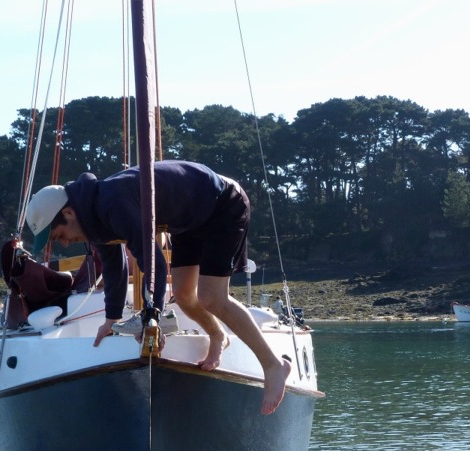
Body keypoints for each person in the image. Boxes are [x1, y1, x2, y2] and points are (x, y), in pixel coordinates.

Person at [25, 160, 291, 415]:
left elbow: (154, 264)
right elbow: (115, 267)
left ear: (69, 213)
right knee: (185, 297)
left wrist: (152, 317)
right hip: (188, 220)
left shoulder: (112, 204)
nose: (64, 243)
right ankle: (218, 335)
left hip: (222, 203)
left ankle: (273, 365)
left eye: (58, 235)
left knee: (211, 297)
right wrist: (112, 318)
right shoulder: (93, 217)